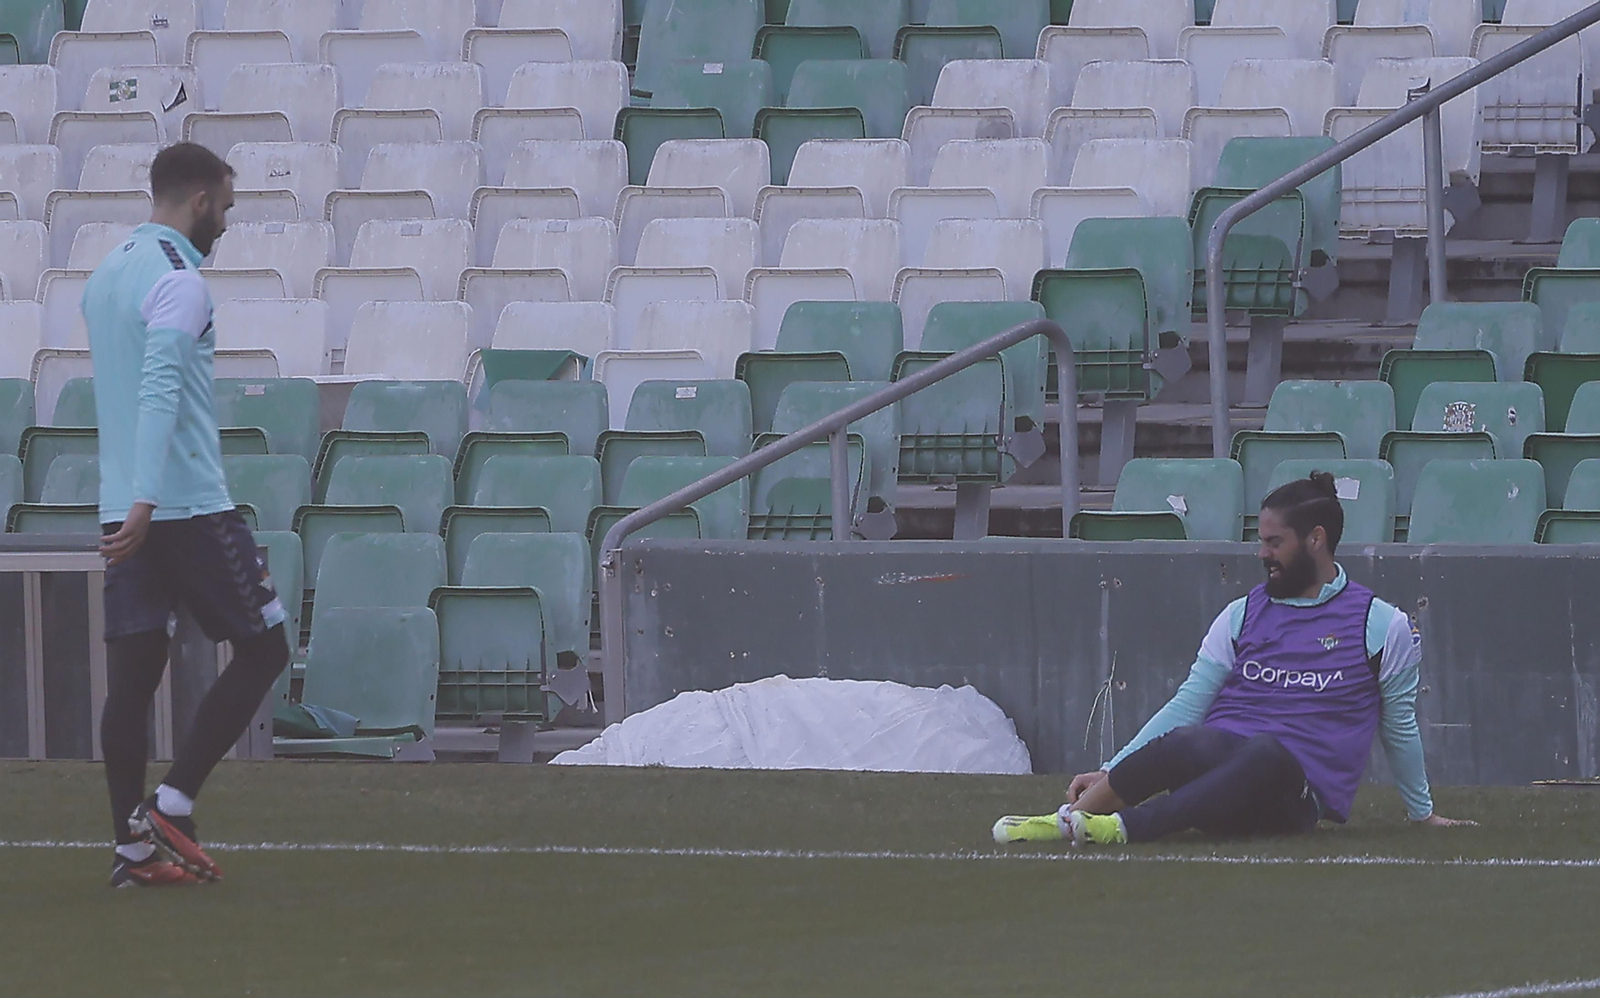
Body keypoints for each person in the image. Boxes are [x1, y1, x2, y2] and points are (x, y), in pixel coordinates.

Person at [993, 472, 1474, 848]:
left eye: (1274, 542)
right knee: (1183, 738)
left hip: (1291, 797)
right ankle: (1068, 822)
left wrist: (1422, 812)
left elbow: (1400, 725)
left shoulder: (1381, 625)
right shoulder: (1241, 614)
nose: (1262, 553)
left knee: (1267, 754)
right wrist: (1110, 766)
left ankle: (1127, 829)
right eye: (1260, 540)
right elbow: (1187, 703)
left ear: (1316, 539)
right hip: (1219, 777)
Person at [86, 142, 290, 887]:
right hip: (184, 504)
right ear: (200, 199)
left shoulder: (106, 276)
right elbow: (160, 391)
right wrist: (149, 501)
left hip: (122, 509)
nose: (227, 224)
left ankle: (130, 852)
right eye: (227, 207)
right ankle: (172, 801)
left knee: (133, 680)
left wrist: (128, 506)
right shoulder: (181, 282)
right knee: (266, 649)